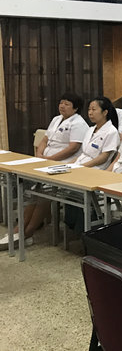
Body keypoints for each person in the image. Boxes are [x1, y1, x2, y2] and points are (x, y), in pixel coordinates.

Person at [2, 93, 90, 250]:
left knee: (44, 193)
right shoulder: (56, 119)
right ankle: (19, 230)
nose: (62, 106)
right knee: (33, 191)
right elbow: (44, 140)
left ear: (75, 108)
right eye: (61, 102)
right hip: (46, 162)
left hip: (63, 165)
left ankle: (27, 232)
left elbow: (73, 148)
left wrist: (51, 159)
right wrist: (39, 155)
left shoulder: (79, 123)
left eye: (67, 104)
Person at [74, 97, 120, 170]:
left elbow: (103, 157)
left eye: (93, 109)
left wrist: (82, 166)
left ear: (105, 112)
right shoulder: (91, 129)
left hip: (95, 168)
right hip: (81, 165)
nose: (90, 113)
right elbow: (83, 154)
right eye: (89, 109)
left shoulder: (111, 131)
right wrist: (70, 165)